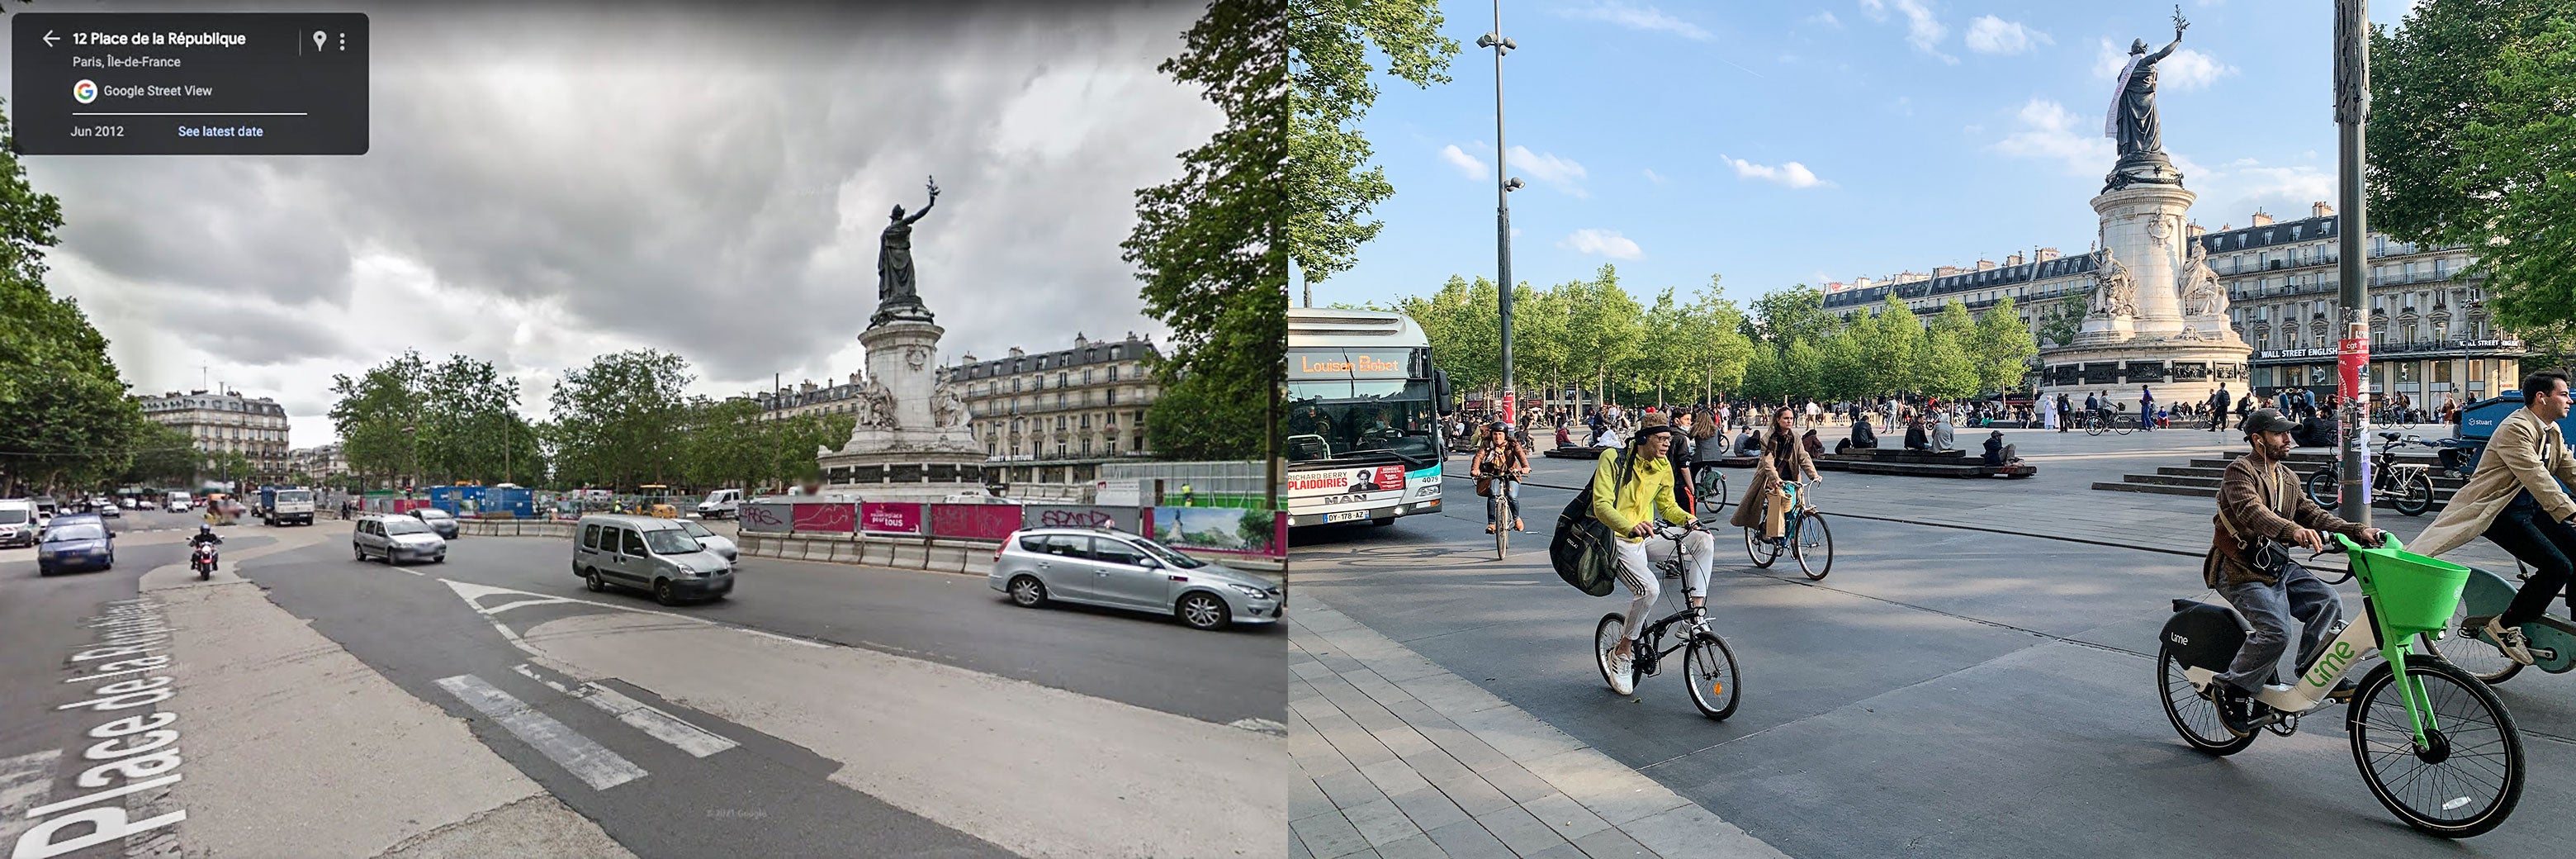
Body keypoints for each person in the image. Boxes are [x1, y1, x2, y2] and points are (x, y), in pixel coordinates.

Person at [2204, 408, 2387, 734]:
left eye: (2288, 432)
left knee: (2327, 600)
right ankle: (2231, 688)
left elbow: (2312, 513)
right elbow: (2251, 512)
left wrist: (2358, 531)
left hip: (2274, 563)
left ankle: (2312, 665)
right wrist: (2293, 531)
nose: (2289, 438)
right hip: (2239, 568)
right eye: (2280, 433)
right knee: (2276, 631)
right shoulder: (2239, 471)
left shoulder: (2287, 477)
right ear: (2259, 440)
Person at [2413, 372, 2576, 663]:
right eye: (2564, 394)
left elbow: (2569, 471)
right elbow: (2537, 477)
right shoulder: (2515, 428)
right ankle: (2505, 625)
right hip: (2499, 511)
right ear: (2542, 398)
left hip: (2531, 508)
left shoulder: (2552, 431)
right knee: (2557, 566)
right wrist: (2570, 511)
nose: (2570, 400)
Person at [1591, 412, 1717, 695]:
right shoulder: (1612, 459)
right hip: (1616, 541)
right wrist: (1630, 525)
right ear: (1643, 439)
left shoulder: (1662, 466)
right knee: (1649, 589)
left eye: (1669, 440)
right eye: (1661, 439)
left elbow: (1668, 506)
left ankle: (1694, 617)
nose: (1666, 445)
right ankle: (1622, 652)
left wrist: (1689, 520)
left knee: (1703, 542)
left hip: (1646, 537)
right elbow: (1601, 506)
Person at [1732, 407, 1821, 550]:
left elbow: (1803, 456)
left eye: (1791, 418)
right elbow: (1768, 462)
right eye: (1786, 418)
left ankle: (1792, 541)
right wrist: (1775, 478)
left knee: (1795, 509)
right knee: (1782, 507)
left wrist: (1814, 475)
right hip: (1771, 478)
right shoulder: (1768, 438)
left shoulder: (1796, 437)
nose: (1789, 421)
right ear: (1778, 420)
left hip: (1791, 478)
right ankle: (1766, 529)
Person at [1472, 421, 1532, 534]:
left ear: (1505, 434)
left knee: (1511, 496)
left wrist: (1525, 467)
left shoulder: (1512, 444)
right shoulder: (1487, 444)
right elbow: (1478, 457)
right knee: (1493, 494)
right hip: (1493, 473)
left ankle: (1516, 518)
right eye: (1495, 434)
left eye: (1500, 434)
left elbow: (1521, 456)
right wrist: (1475, 469)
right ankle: (1491, 524)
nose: (1497, 437)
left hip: (1511, 473)